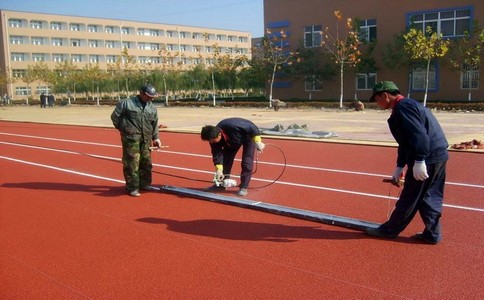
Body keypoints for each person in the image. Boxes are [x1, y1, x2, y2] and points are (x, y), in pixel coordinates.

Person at [364, 81, 449, 244]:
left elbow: (419, 136)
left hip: (428, 157)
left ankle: (389, 230)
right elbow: (406, 141)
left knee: (410, 196)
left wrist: (420, 160)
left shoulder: (404, 108)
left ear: (385, 95)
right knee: (429, 196)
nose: (377, 103)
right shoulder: (408, 105)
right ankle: (432, 234)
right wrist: (400, 166)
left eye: (377, 99)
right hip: (438, 155)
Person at [111, 84, 162, 197]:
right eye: (148, 96)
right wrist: (125, 129)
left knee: (146, 163)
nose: (151, 99)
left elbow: (154, 124)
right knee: (132, 163)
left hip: (146, 139)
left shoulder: (152, 108)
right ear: (141, 93)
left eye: (152, 97)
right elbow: (115, 117)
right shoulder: (126, 103)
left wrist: (156, 138)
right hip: (131, 139)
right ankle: (132, 187)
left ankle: (145, 184)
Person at [201, 118, 265, 197]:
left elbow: (253, 128)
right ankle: (221, 184)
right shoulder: (213, 138)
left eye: (213, 141)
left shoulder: (233, 125)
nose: (211, 143)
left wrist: (258, 141)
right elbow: (217, 154)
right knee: (226, 161)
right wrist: (219, 170)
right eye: (210, 141)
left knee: (246, 162)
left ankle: (243, 187)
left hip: (248, 136)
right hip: (232, 142)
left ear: (219, 134)